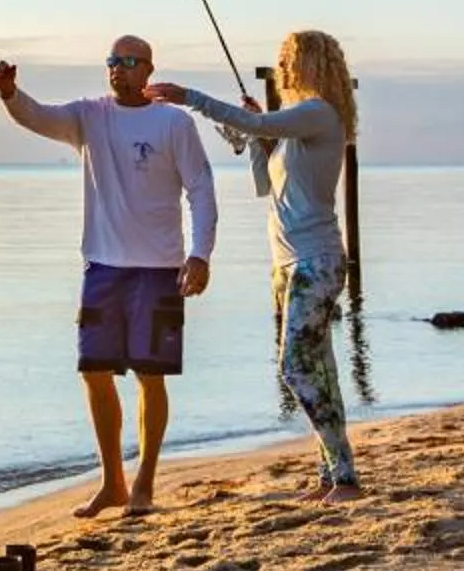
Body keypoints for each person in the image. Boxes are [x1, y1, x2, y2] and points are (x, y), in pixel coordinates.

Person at [0, 35, 218, 518]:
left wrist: (199, 254)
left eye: (130, 62)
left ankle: (144, 486)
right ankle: (112, 481)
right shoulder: (89, 116)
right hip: (103, 266)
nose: (119, 69)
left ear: (149, 69)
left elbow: (200, 188)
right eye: (113, 61)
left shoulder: (173, 122)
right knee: (93, 371)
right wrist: (10, 93)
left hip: (159, 268)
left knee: (150, 375)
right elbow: (39, 116)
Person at [152, 29, 362, 502]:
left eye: (290, 60)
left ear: (312, 65)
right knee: (320, 369)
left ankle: (343, 475)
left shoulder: (318, 113)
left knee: (296, 368)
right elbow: (265, 184)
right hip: (287, 261)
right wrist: (254, 132)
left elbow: (268, 127)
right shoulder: (296, 127)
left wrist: (191, 98)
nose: (284, 68)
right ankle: (337, 475)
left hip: (317, 259)